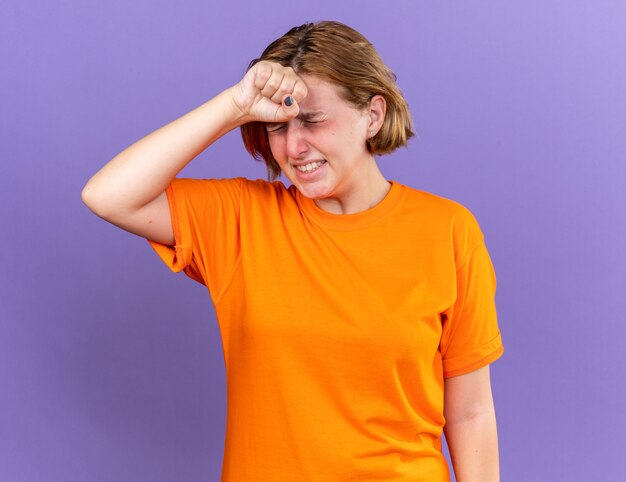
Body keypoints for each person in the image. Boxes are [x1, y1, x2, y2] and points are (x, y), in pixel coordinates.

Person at [82, 20, 504, 482]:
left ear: (373, 115)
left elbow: (470, 412)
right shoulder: (241, 220)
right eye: (277, 127)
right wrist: (234, 105)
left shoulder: (448, 230)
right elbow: (109, 195)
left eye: (313, 120)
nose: (293, 147)